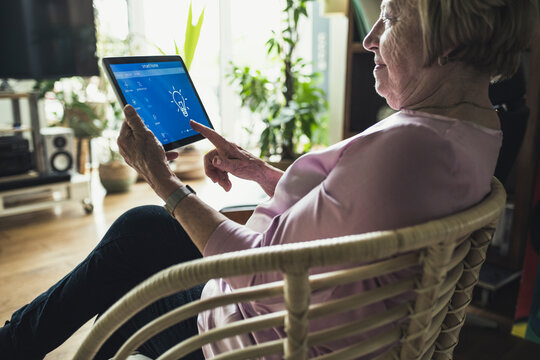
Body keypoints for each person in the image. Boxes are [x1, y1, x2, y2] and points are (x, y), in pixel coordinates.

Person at [1, 0, 537, 359]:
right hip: (341, 315)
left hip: (266, 337)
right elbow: (353, 214)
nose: (371, 37)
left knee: (133, 245)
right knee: (140, 232)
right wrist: (258, 171)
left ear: (447, 40)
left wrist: (164, 182)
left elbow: (261, 269)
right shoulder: (477, 128)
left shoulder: (406, 146)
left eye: (391, 18)